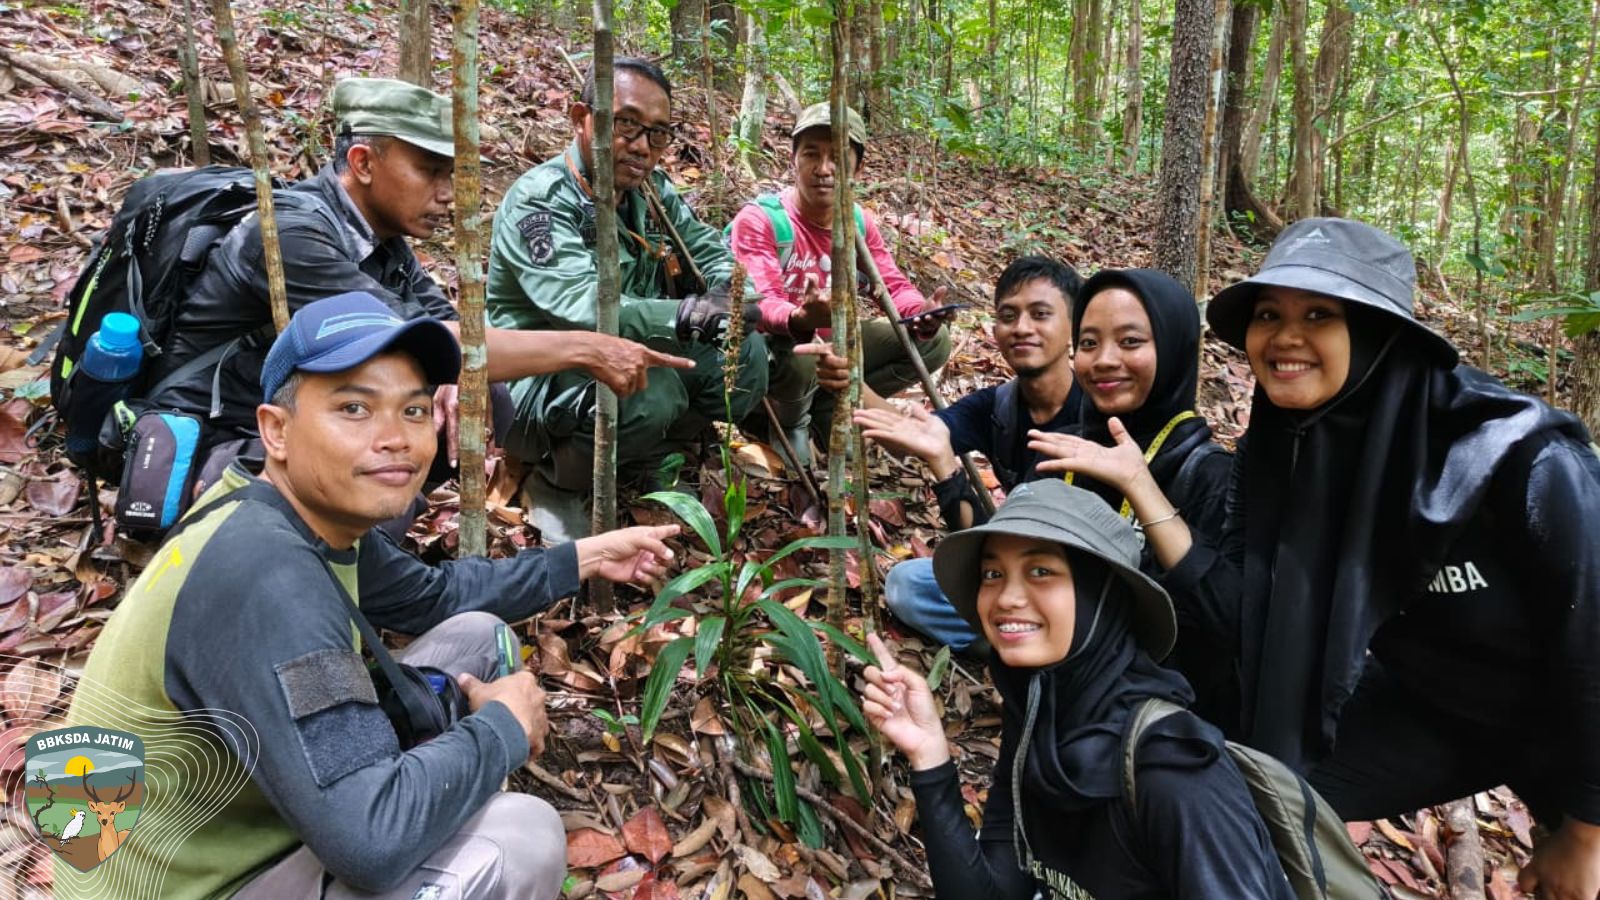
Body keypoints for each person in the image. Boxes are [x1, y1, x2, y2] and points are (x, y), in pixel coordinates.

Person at [60, 292, 680, 900]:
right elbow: (368, 843)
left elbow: (437, 597)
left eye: (414, 411)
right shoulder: (269, 577)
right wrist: (501, 729)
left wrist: (586, 556)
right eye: (354, 409)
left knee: (475, 637)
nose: (396, 438)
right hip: (186, 880)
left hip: (234, 822)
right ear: (276, 430)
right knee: (522, 840)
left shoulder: (288, 511)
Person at [1065, 218, 1600, 899]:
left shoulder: (1517, 457)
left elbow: (1591, 640)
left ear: (1380, 336)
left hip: (1572, 718)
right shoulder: (1295, 451)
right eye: (1269, 315)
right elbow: (1238, 614)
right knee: (1238, 777)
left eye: (1319, 314)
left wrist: (1586, 829)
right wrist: (1142, 488)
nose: (1286, 337)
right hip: (1442, 712)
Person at [151, 77, 686, 491]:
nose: (448, 193)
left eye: (452, 174)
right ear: (362, 162)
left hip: (299, 414)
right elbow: (414, 337)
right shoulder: (291, 233)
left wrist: (450, 366)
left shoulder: (384, 242)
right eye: (431, 172)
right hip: (210, 434)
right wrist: (588, 348)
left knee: (480, 392)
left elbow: (442, 327)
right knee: (398, 438)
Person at [861, 479, 1296, 899]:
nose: (1007, 596)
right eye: (993, 572)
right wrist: (930, 758)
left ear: (1099, 596)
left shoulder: (1176, 777)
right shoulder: (1039, 717)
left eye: (1041, 570)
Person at [486, 57, 767, 541]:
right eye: (626, 125)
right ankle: (558, 483)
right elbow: (582, 306)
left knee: (747, 359)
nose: (641, 146)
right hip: (535, 375)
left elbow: (702, 244)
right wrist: (689, 315)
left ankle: (653, 456)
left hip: (625, 347)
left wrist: (731, 290)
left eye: (657, 134)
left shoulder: (649, 190)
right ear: (581, 119)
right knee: (652, 391)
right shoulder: (541, 201)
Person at [810, 256, 1081, 653]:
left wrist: (945, 467)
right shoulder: (1001, 405)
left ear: (1073, 328)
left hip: (1084, 581)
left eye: (1041, 315)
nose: (1022, 328)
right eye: (1009, 315)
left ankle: (1050, 644)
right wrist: (851, 380)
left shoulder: (1095, 415)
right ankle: (1018, 637)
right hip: (1019, 572)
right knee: (908, 584)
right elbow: (920, 434)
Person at [1023, 268, 1235, 724]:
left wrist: (1139, 485)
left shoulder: (1208, 474)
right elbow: (1006, 571)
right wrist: (945, 466)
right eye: (1089, 342)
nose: (1103, 360)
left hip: (1158, 722)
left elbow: (1223, 624)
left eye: (1131, 341)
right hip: (1059, 698)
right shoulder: (1064, 449)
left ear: (1174, 347)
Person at [726, 102, 952, 464]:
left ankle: (829, 410)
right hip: (773, 359)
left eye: (838, 158)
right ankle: (786, 424)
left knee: (934, 343)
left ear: (857, 168)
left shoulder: (858, 224)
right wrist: (801, 319)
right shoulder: (761, 220)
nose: (824, 169)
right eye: (811, 155)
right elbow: (759, 303)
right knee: (803, 352)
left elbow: (889, 283)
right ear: (793, 160)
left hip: (832, 351)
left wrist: (920, 314)